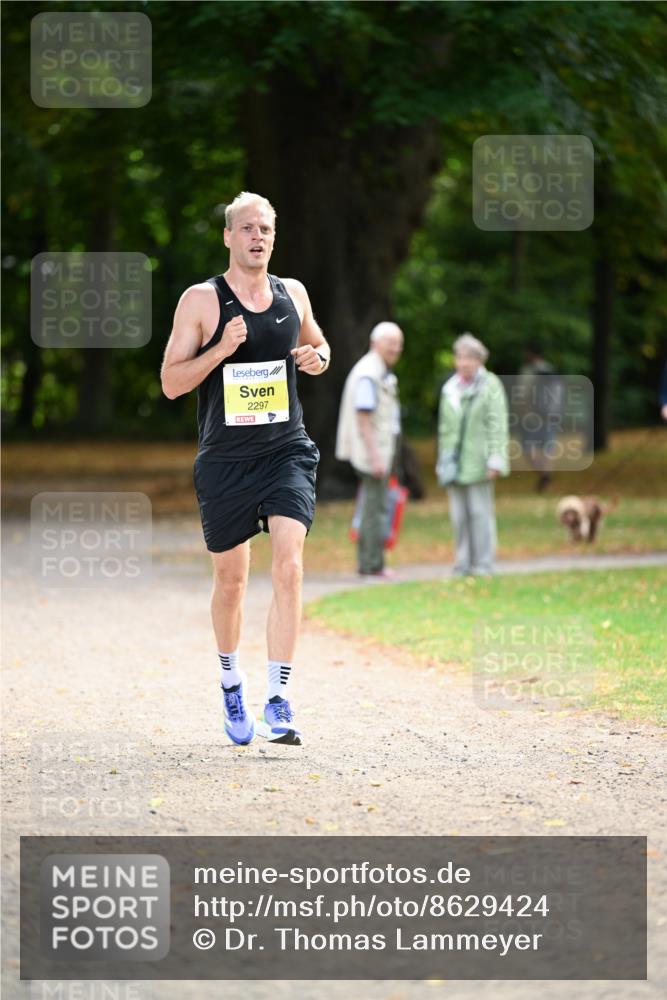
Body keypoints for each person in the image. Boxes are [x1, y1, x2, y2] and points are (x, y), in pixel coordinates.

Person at [160, 191, 330, 747]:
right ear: (229, 237)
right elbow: (170, 382)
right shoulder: (202, 301)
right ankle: (231, 682)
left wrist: (317, 357)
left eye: (267, 229)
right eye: (248, 229)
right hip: (226, 460)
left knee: (289, 567)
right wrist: (219, 349)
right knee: (231, 582)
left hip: (286, 450)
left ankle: (278, 699)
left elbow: (319, 345)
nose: (259, 237)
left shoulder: (292, 293)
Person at [436, 333, 508, 576]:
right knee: (459, 516)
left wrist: (496, 458)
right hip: (453, 462)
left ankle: (484, 564)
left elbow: (497, 424)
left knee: (480, 514)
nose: (463, 362)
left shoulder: (490, 385)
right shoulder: (450, 389)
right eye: (460, 357)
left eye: (469, 358)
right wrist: (441, 460)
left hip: (479, 460)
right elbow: (444, 429)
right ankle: (463, 563)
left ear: (479, 360)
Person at [335, 322, 403, 577]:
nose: (396, 349)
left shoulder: (377, 370)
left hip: (377, 451)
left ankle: (372, 563)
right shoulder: (369, 373)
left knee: (376, 506)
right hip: (372, 454)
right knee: (374, 509)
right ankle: (371, 565)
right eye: (391, 343)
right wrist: (375, 457)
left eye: (399, 344)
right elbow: (364, 418)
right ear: (376, 343)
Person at [517, 345, 563, 492]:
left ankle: (544, 474)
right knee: (546, 447)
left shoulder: (529, 372)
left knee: (529, 447)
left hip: (534, 416)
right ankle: (546, 475)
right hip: (548, 415)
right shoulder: (550, 370)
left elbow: (523, 395)